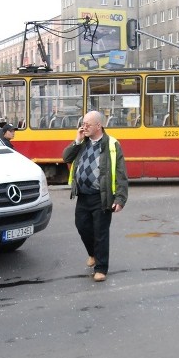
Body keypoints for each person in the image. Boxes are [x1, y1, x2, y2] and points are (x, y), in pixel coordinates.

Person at [62, 110, 129, 282]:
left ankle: (101, 268)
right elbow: (66, 157)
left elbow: (121, 173)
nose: (84, 127)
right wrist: (77, 139)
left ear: (99, 126)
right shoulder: (82, 142)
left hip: (102, 196)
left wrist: (120, 199)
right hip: (83, 196)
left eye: (87, 124)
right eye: (83, 124)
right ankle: (92, 254)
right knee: (82, 226)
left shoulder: (112, 144)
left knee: (101, 233)